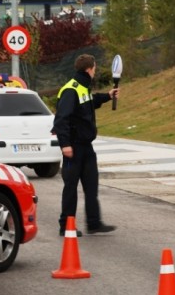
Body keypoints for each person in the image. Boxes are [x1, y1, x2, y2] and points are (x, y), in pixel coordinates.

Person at [52, 54, 119, 236]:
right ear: (90, 69)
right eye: (95, 68)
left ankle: (94, 223)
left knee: (91, 187)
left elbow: (89, 103)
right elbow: (61, 120)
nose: (95, 70)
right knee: (71, 188)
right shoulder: (71, 90)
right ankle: (66, 225)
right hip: (72, 148)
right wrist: (65, 145)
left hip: (86, 147)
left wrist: (107, 96)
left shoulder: (84, 88)